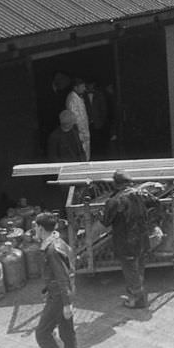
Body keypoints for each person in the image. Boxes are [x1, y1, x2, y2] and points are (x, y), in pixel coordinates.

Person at [34, 212, 82, 348]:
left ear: (40, 228)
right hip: (64, 293)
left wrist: (66, 304)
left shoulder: (52, 250)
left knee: (42, 333)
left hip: (59, 296)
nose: (34, 229)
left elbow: (62, 276)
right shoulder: (58, 241)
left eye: (35, 226)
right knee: (67, 332)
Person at [102, 170, 159, 308]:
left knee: (130, 271)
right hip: (142, 238)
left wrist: (100, 214)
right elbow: (156, 203)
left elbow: (106, 221)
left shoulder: (114, 201)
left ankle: (138, 299)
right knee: (139, 268)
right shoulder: (141, 193)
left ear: (115, 184)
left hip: (125, 241)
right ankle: (134, 295)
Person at [65, 77, 91, 161]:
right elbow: (75, 118)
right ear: (75, 87)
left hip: (84, 132)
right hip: (80, 133)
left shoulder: (79, 97)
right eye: (82, 86)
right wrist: (80, 132)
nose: (84, 88)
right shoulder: (72, 99)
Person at [85, 79, 109, 159]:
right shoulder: (83, 96)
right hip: (87, 124)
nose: (89, 86)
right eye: (88, 84)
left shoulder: (99, 95)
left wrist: (101, 121)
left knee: (98, 142)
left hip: (98, 123)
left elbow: (104, 109)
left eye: (91, 84)